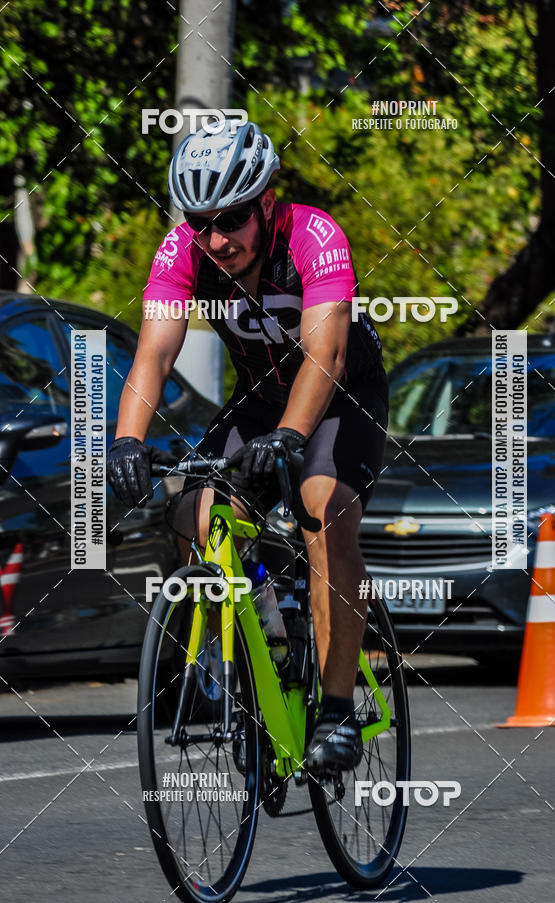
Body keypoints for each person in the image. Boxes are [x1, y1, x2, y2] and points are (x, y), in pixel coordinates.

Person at [107, 121, 388, 774]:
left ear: (265, 202)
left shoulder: (313, 236)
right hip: (262, 399)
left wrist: (291, 437)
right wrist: (127, 439)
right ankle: (263, 660)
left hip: (342, 393)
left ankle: (339, 709)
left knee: (322, 506)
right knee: (197, 515)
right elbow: (154, 349)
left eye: (231, 218)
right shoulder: (184, 251)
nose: (216, 239)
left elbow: (328, 352)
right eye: (201, 222)